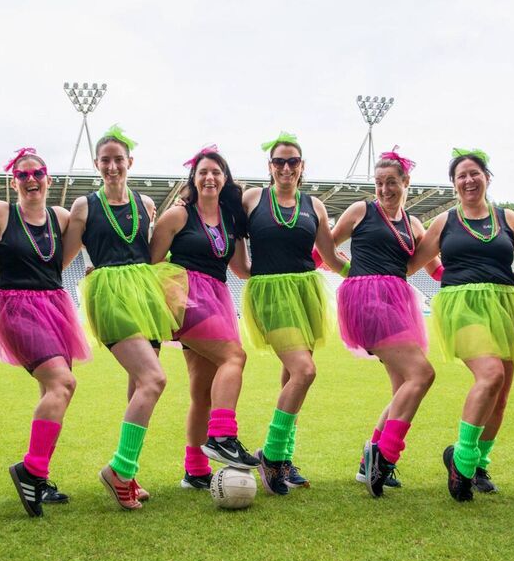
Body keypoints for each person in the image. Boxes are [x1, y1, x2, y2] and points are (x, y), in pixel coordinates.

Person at [408, 148, 514, 502]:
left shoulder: (507, 218)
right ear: (454, 184)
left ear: (487, 177)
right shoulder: (446, 221)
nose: (469, 180)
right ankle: (463, 465)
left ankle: (478, 461)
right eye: (461, 176)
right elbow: (412, 263)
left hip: (502, 304)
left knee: (500, 398)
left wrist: (505, 281)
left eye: (474, 173)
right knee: (490, 375)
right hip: (462, 305)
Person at [0, 147, 89, 518]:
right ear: (12, 181)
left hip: (55, 304)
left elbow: (61, 260)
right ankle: (31, 470)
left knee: (53, 390)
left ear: (48, 178)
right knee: (62, 384)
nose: (31, 179)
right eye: (22, 175)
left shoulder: (62, 217)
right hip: (17, 306)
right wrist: (10, 279)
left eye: (38, 173)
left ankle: (41, 477)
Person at [61, 125, 177, 510]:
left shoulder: (145, 203)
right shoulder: (84, 206)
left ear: (130, 162)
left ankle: (129, 471)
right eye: (106, 160)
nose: (112, 166)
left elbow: (148, 249)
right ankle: (119, 470)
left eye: (118, 159)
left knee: (138, 385)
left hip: (146, 293)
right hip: (110, 294)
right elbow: (62, 258)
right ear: (97, 163)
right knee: (154, 379)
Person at [149, 145, 258, 491]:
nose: (209, 177)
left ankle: (194, 470)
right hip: (185, 296)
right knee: (234, 356)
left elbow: (241, 269)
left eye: (216, 172)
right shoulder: (178, 216)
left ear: (224, 179)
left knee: (201, 391)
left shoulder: (231, 221)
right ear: (194, 180)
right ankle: (223, 435)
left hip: (218, 298)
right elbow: (150, 263)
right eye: (203, 172)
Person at [240, 132, 344, 496]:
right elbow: (234, 246)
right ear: (269, 167)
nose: (286, 167)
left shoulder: (314, 205)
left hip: (306, 293)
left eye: (293, 161)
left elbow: (330, 256)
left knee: (291, 377)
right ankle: (270, 453)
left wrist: (362, 273)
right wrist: (245, 272)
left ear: (302, 167)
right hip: (270, 294)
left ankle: (284, 457)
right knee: (305, 371)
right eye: (279, 162)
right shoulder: (252, 199)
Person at [329, 148, 435, 497]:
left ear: (406, 182)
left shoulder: (414, 224)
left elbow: (429, 267)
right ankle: (384, 456)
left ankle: (368, 460)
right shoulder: (361, 210)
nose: (385, 189)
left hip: (399, 301)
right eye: (379, 183)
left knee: (403, 385)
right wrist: (350, 272)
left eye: (392, 182)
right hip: (367, 299)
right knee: (422, 374)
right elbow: (326, 247)